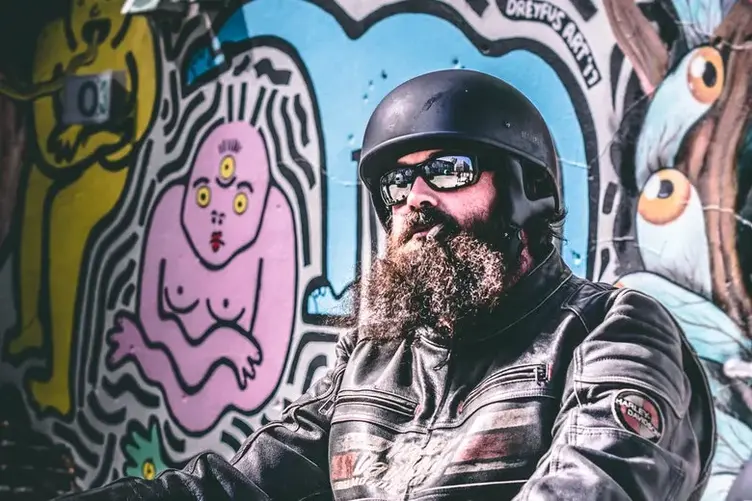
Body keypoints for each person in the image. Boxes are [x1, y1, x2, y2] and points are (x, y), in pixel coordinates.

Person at [59, 69, 716, 500]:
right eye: (398, 183)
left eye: (449, 169)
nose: (415, 199)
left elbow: (594, 482)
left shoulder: (612, 330)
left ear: (528, 192)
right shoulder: (373, 361)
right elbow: (235, 487)